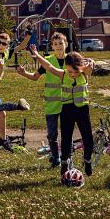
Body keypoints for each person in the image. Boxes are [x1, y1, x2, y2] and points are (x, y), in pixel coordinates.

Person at [29, 45, 95, 177]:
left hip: (82, 110)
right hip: (67, 110)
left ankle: (87, 160)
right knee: (66, 138)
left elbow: (90, 64)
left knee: (88, 139)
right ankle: (64, 163)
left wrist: (91, 62)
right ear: (66, 67)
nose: (73, 74)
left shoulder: (85, 73)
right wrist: (37, 55)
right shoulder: (63, 74)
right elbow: (48, 66)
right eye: (70, 71)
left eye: (75, 72)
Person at [17, 32, 68, 167]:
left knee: (66, 133)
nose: (58, 46)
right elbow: (35, 77)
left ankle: (66, 157)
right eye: (55, 44)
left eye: (61, 43)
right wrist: (23, 73)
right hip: (51, 104)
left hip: (68, 103)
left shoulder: (71, 60)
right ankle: (55, 157)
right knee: (52, 135)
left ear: (66, 44)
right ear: (52, 46)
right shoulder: (48, 61)